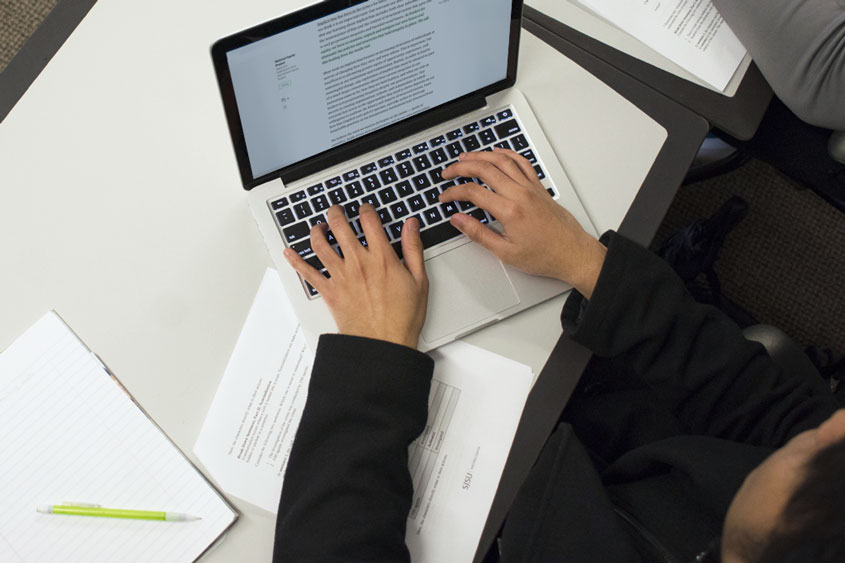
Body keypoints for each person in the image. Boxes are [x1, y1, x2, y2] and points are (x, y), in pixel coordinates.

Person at [273, 149, 845, 562]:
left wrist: (374, 355)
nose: (830, 420)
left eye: (816, 450)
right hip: (607, 438)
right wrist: (585, 262)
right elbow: (773, 411)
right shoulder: (819, 465)